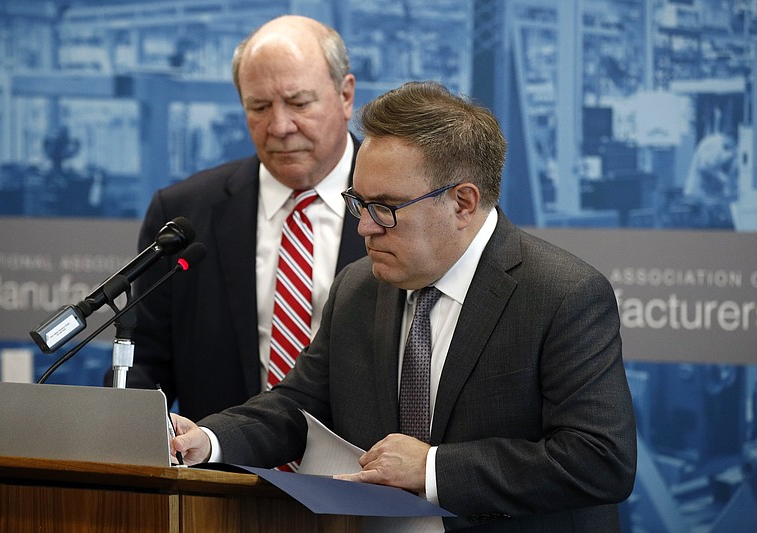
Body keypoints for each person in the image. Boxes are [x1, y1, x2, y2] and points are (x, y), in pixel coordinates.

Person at [170, 81, 638, 531]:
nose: (365, 229)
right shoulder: (359, 286)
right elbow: (299, 407)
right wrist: (207, 441)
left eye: (386, 208)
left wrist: (432, 468)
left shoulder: (563, 295)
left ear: (462, 204)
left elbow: (599, 459)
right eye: (359, 202)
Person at [107, 15, 366, 420]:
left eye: (299, 103)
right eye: (259, 107)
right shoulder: (182, 214)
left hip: (364, 478)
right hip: (221, 474)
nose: (279, 126)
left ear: (346, 96)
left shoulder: (408, 206)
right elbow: (144, 363)